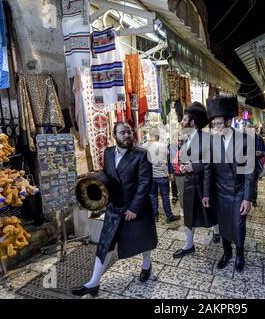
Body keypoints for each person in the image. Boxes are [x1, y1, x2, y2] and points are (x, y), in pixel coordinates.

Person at [72, 122, 158, 297]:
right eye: (123, 132)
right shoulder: (108, 152)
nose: (127, 135)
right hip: (114, 207)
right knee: (105, 244)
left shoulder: (141, 155)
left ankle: (146, 266)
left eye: (129, 132)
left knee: (143, 239)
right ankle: (93, 283)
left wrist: (134, 207)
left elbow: (145, 183)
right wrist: (94, 183)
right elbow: (107, 174)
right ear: (114, 135)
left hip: (136, 207)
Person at [203, 96, 254, 272]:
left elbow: (249, 172)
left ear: (229, 121)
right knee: (223, 223)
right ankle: (227, 253)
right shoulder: (211, 141)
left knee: (239, 224)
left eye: (219, 124)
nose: (216, 127)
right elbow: (208, 169)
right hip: (219, 192)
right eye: (214, 124)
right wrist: (206, 194)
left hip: (238, 191)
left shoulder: (245, 140)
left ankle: (240, 254)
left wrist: (248, 198)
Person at [173, 102, 220, 259]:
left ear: (192, 122)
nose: (181, 122)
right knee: (188, 213)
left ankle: (217, 231)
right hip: (189, 183)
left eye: (184, 119)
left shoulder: (207, 138)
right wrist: (184, 166)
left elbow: (210, 163)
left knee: (210, 210)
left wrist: (194, 166)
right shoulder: (186, 139)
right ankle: (189, 245)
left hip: (203, 183)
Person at [143, 128, 180, 223]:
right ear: (157, 136)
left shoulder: (144, 146)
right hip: (163, 175)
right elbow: (167, 160)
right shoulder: (164, 146)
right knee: (165, 197)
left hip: (151, 176)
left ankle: (155, 216)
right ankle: (169, 216)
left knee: (153, 196)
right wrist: (170, 173)